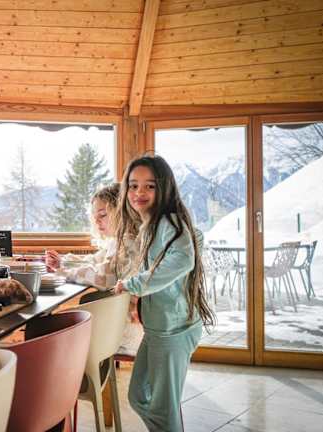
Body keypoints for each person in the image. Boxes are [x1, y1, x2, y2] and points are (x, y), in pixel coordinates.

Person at [113, 154, 215, 432]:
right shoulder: (155, 224)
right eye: (133, 185)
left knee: (163, 410)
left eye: (150, 186)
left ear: (164, 188)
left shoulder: (168, 221)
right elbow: (195, 239)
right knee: (138, 397)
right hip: (159, 328)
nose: (139, 192)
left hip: (173, 330)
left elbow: (183, 259)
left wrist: (133, 284)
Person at [46, 183, 143, 355]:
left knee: (48, 327)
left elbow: (103, 277)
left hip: (125, 330)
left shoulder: (127, 243)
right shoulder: (118, 241)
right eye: (94, 216)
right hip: (122, 323)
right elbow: (94, 260)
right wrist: (64, 262)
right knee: (62, 319)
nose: (97, 221)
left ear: (121, 212)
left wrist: (64, 272)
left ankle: (71, 368)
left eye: (103, 215)